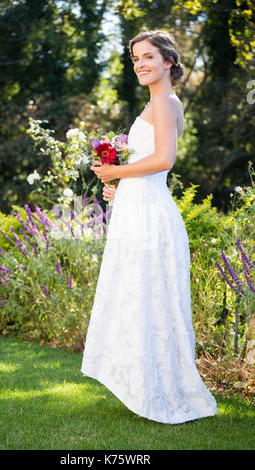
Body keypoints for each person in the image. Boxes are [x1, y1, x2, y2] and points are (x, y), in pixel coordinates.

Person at [81, 30, 218, 424]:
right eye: (136, 59)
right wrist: (119, 186)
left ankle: (162, 391)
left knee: (152, 294)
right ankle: (146, 385)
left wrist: (114, 170)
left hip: (150, 215)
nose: (140, 64)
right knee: (139, 294)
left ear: (168, 62)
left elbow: (163, 159)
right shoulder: (156, 102)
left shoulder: (165, 102)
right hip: (135, 208)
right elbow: (146, 164)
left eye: (148, 57)